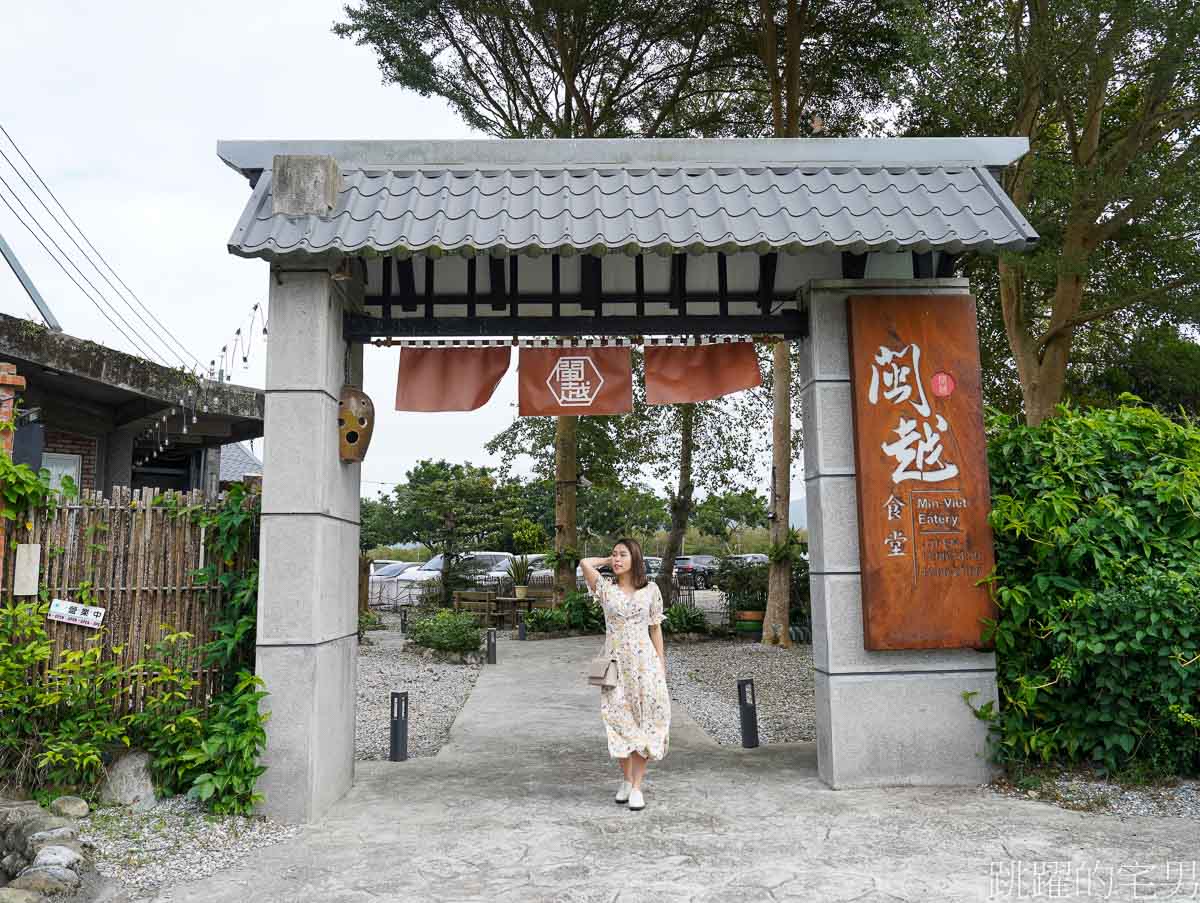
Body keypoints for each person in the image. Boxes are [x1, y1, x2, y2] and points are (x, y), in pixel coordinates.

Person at [580, 538, 671, 811]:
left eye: (623, 555)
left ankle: (636, 786)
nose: (617, 559)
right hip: (616, 666)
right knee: (618, 723)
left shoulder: (651, 590)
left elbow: (656, 629)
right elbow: (584, 563)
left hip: (646, 666)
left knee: (645, 721)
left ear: (636, 559)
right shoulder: (606, 590)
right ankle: (627, 780)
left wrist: (662, 665)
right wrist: (607, 561)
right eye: (614, 555)